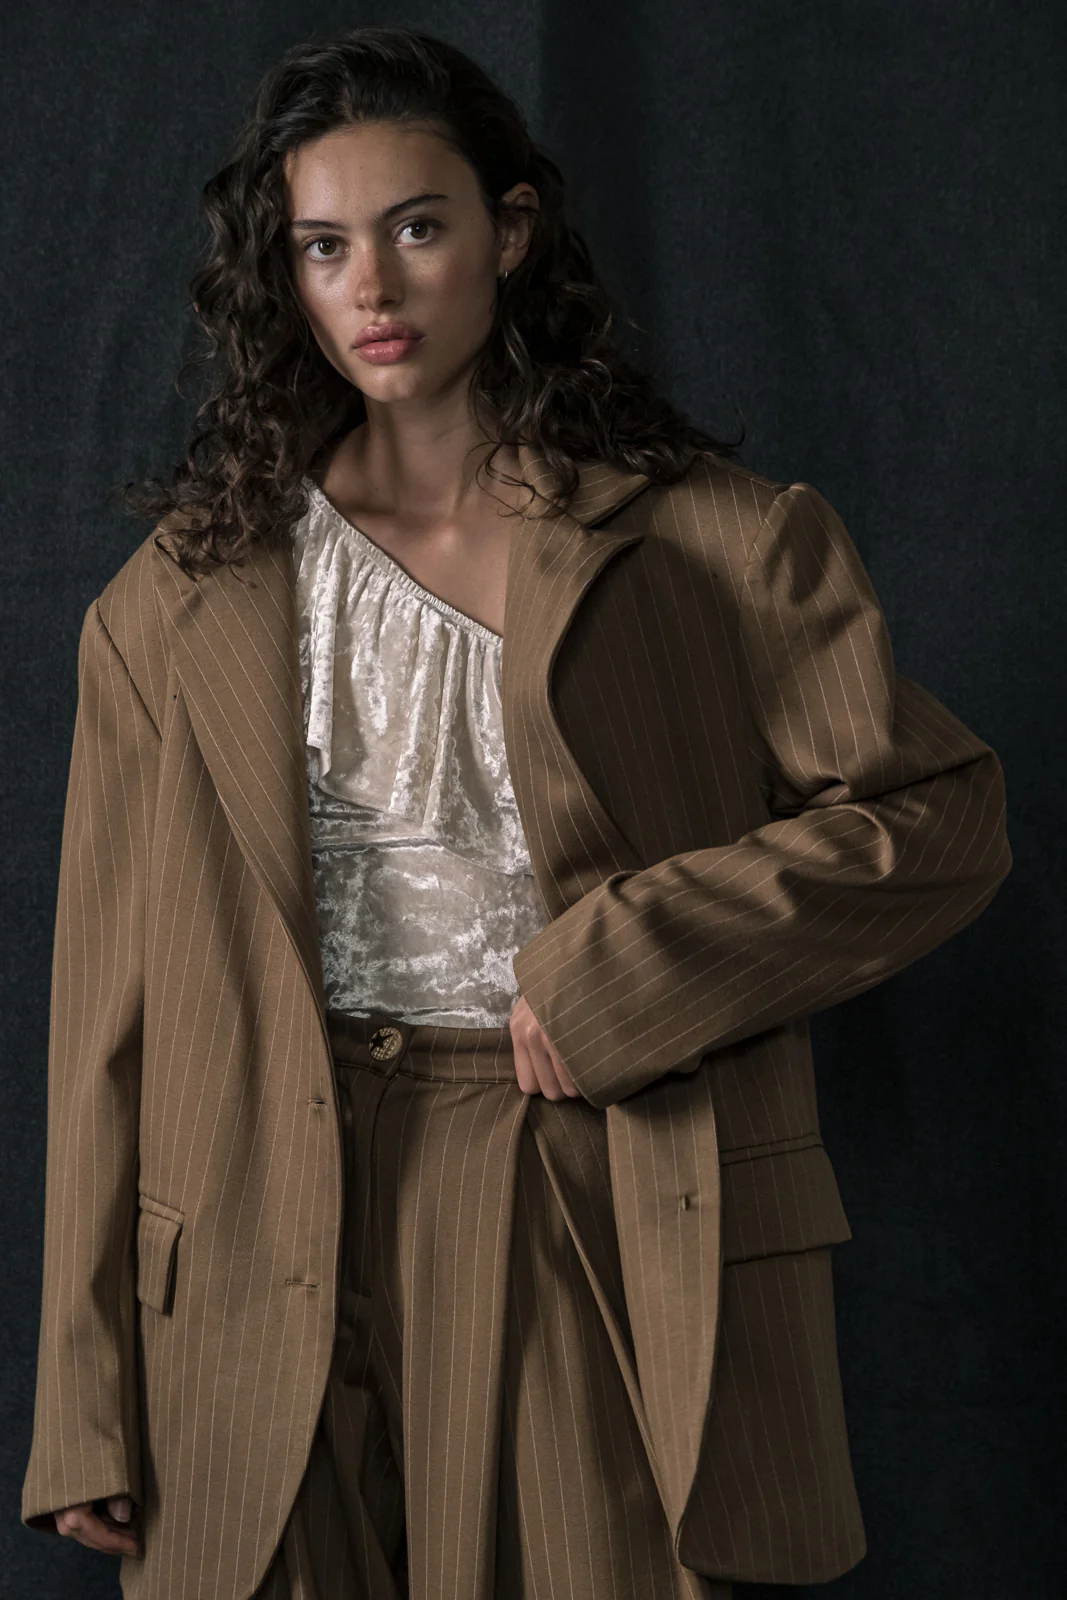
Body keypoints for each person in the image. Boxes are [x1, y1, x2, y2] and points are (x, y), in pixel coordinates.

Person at [20, 24, 1012, 1600]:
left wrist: (631, 961)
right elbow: (106, 1015)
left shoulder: (715, 545)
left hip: (580, 1181)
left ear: (511, 231)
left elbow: (937, 817)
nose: (373, 285)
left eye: (417, 227)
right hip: (259, 1224)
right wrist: (81, 1394)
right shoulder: (173, 602)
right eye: (323, 246)